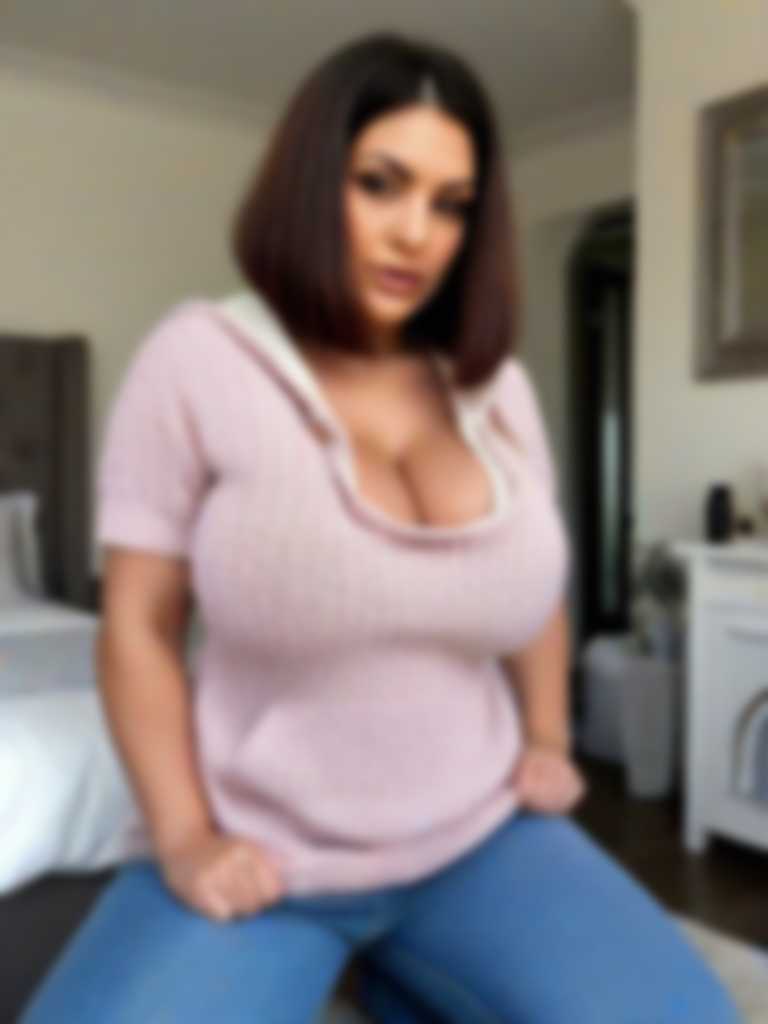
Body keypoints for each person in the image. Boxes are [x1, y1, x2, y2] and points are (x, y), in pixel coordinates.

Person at [19, 30, 741, 1024]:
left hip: (480, 836)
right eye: (381, 184)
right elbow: (138, 626)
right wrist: (185, 839)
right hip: (267, 853)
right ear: (313, 181)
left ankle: (405, 976)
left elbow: (534, 584)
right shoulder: (195, 361)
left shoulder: (496, 388)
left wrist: (545, 733)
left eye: (451, 204)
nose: (416, 233)